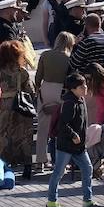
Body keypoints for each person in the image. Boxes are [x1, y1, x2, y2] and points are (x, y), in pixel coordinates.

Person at [45, 74, 102, 207]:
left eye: (85, 84)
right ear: (73, 89)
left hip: (79, 146)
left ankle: (87, 201)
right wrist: (73, 135)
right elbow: (63, 125)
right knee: (59, 172)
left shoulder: (80, 99)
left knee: (88, 169)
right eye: (82, 86)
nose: (85, 87)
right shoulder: (70, 102)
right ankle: (51, 202)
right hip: (66, 145)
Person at [34, 31, 74, 173]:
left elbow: (38, 77)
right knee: (62, 128)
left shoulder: (45, 55)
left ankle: (40, 161)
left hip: (46, 88)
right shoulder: (70, 58)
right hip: (62, 91)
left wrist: (39, 90)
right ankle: (61, 161)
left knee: (42, 127)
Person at [0, 40, 36, 180]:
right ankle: (27, 167)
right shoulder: (22, 71)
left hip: (4, 106)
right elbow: (31, 90)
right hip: (21, 107)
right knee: (24, 137)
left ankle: (3, 166)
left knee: (3, 136)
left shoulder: (1, 71)